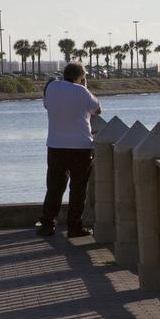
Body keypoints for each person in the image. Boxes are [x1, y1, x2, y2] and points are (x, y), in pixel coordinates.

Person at [37, 61, 102, 237]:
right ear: (80, 77)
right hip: (81, 147)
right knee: (78, 189)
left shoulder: (51, 87)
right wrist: (84, 86)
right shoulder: (82, 91)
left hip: (56, 145)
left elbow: (46, 103)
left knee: (55, 187)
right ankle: (74, 227)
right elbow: (98, 110)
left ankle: (47, 224)